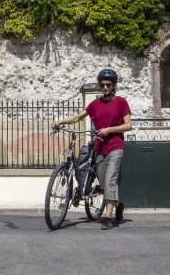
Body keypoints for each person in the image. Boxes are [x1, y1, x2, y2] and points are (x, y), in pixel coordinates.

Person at [52, 68, 132, 230]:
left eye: (108, 85)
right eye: (102, 85)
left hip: (116, 146)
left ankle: (108, 218)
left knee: (110, 181)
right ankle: (118, 205)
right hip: (99, 148)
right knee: (103, 184)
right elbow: (78, 117)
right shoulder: (95, 104)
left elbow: (128, 125)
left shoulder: (121, 102)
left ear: (114, 85)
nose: (105, 88)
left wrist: (110, 129)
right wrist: (60, 122)